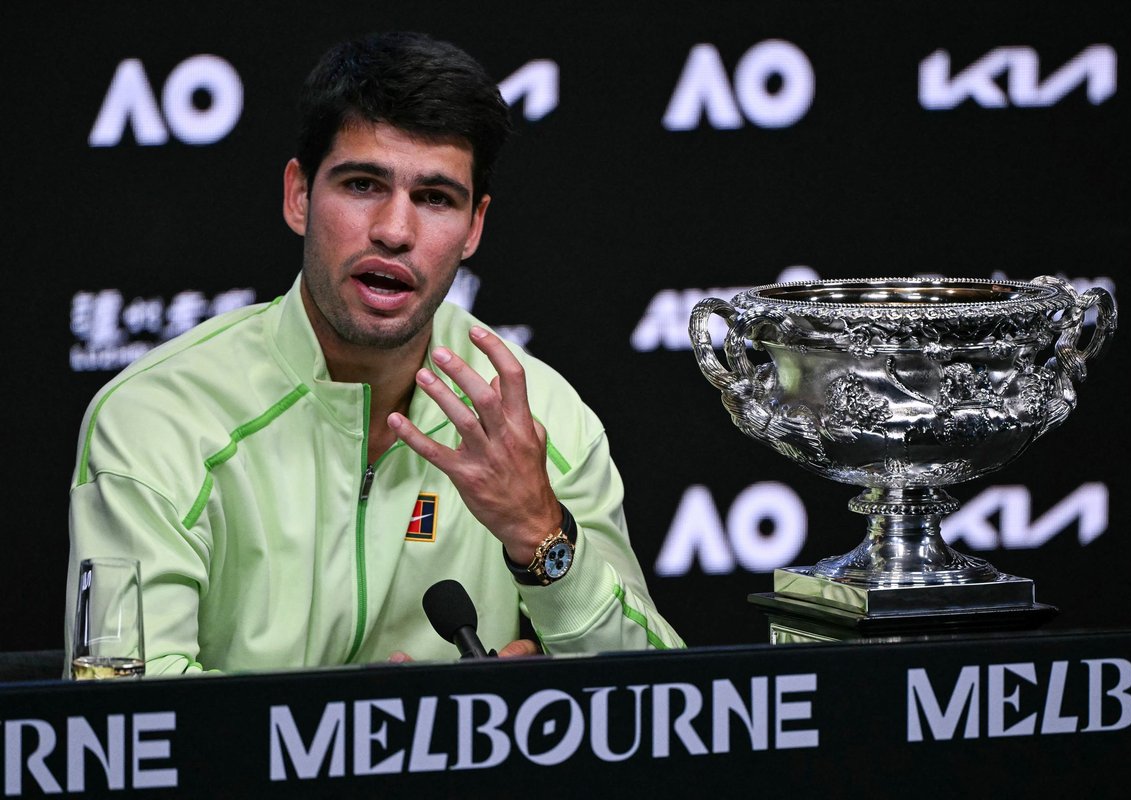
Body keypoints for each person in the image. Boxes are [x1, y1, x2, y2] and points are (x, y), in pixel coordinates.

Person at [66, 31, 683, 675]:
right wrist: (370, 728)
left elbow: (664, 703)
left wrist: (539, 535)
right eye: (363, 184)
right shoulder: (157, 417)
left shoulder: (540, 418)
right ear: (299, 196)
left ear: (474, 227)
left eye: (436, 198)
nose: (394, 230)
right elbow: (125, 718)